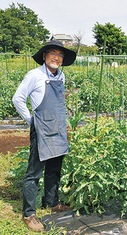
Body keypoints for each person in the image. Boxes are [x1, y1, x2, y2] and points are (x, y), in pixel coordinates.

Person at [12, 40, 76, 232]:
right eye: (53, 53)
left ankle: (52, 202)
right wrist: (31, 121)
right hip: (41, 129)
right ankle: (29, 214)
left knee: (55, 169)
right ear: (44, 56)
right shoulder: (35, 75)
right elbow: (17, 98)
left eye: (60, 55)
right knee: (34, 173)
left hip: (57, 128)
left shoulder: (60, 76)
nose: (57, 57)